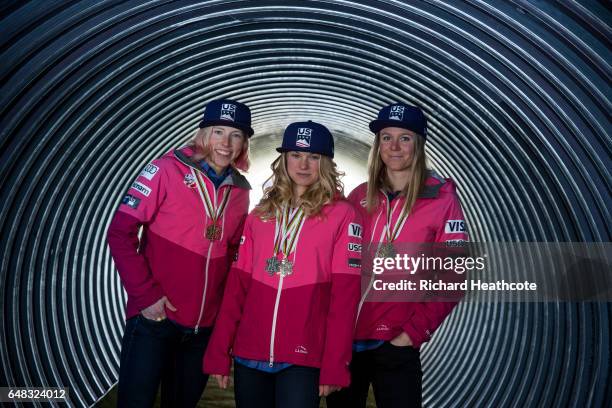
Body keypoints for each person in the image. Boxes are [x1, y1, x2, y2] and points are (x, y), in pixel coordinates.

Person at [203, 120, 362, 408]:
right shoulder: (259, 215)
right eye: (295, 155)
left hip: (304, 355)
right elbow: (237, 288)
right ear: (283, 159)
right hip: (250, 352)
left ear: (325, 163)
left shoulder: (343, 215)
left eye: (313, 157)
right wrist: (218, 349)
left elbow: (345, 299)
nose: (303, 165)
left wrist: (335, 362)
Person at [107, 99, 253, 407]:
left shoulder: (241, 190)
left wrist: (221, 318)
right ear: (202, 134)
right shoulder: (164, 170)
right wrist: (146, 298)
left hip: (202, 331)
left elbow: (232, 257)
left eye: (235, 135)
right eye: (218, 131)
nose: (225, 143)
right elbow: (119, 233)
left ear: (244, 144)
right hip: (155, 320)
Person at [327, 103, 469, 407]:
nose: (394, 147)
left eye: (404, 138)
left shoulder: (441, 198)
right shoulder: (360, 195)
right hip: (346, 341)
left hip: (395, 343)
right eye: (386, 138)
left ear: (418, 144)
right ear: (378, 145)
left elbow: (454, 274)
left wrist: (411, 333)